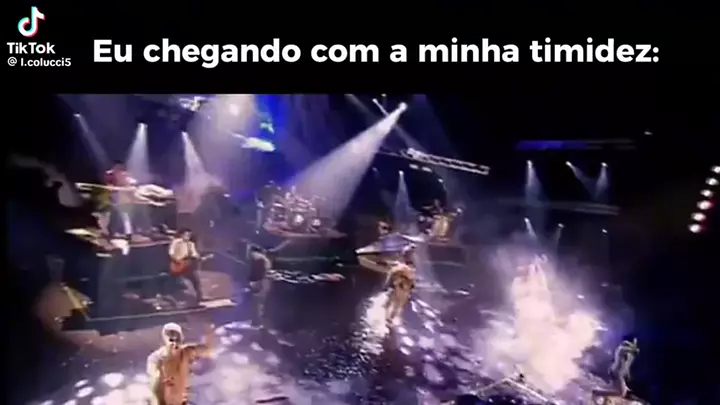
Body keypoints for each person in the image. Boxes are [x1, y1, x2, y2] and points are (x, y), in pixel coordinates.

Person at [146, 322, 214, 405]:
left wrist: (209, 330)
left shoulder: (186, 353)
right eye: (171, 340)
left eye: (177, 339)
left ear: (181, 339)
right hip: (163, 402)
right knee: (158, 379)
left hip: (181, 401)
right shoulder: (156, 358)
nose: (174, 343)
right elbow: (154, 383)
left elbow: (207, 349)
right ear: (165, 339)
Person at [592, 337, 640, 404]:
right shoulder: (621, 349)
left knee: (618, 390)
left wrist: (627, 374)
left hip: (617, 373)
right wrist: (634, 346)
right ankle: (596, 392)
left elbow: (626, 364)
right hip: (616, 373)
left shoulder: (627, 352)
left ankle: (605, 399)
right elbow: (632, 349)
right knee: (622, 393)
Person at [168, 229, 204, 302]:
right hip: (177, 263)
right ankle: (171, 296)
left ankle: (199, 297)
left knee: (195, 280)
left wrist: (198, 257)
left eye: (189, 235)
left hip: (187, 264)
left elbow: (194, 253)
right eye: (186, 235)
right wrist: (177, 260)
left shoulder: (191, 244)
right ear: (182, 235)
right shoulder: (176, 242)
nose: (188, 236)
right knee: (174, 280)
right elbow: (171, 252)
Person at [384, 244, 416, 324]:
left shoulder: (401, 267)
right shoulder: (407, 268)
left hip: (400, 287)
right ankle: (390, 319)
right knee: (397, 304)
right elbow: (410, 279)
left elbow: (391, 274)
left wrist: (387, 284)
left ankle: (389, 319)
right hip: (402, 288)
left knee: (395, 303)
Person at [247, 244, 273, 327]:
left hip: (260, 282)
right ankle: (260, 322)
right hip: (265, 282)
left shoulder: (257, 258)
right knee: (261, 303)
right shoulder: (264, 258)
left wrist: (253, 282)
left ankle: (257, 322)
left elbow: (257, 272)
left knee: (256, 303)